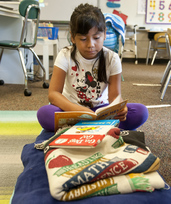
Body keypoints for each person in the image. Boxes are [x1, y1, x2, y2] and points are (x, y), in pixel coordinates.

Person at [37, 3, 148, 132]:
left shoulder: (112, 58)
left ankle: (80, 127)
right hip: (72, 110)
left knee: (140, 112)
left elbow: (115, 96)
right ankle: (101, 127)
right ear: (73, 37)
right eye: (83, 39)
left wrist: (119, 108)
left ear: (104, 34)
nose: (91, 44)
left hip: (101, 111)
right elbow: (54, 94)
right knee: (44, 113)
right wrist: (80, 111)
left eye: (96, 38)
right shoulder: (65, 54)